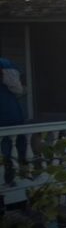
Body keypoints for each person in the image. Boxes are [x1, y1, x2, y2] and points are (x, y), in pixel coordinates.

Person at [0, 56, 28, 186]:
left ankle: (13, 176)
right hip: (9, 112)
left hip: (8, 113)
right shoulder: (5, 64)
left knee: (12, 145)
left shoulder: (5, 64)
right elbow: (18, 89)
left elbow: (17, 87)